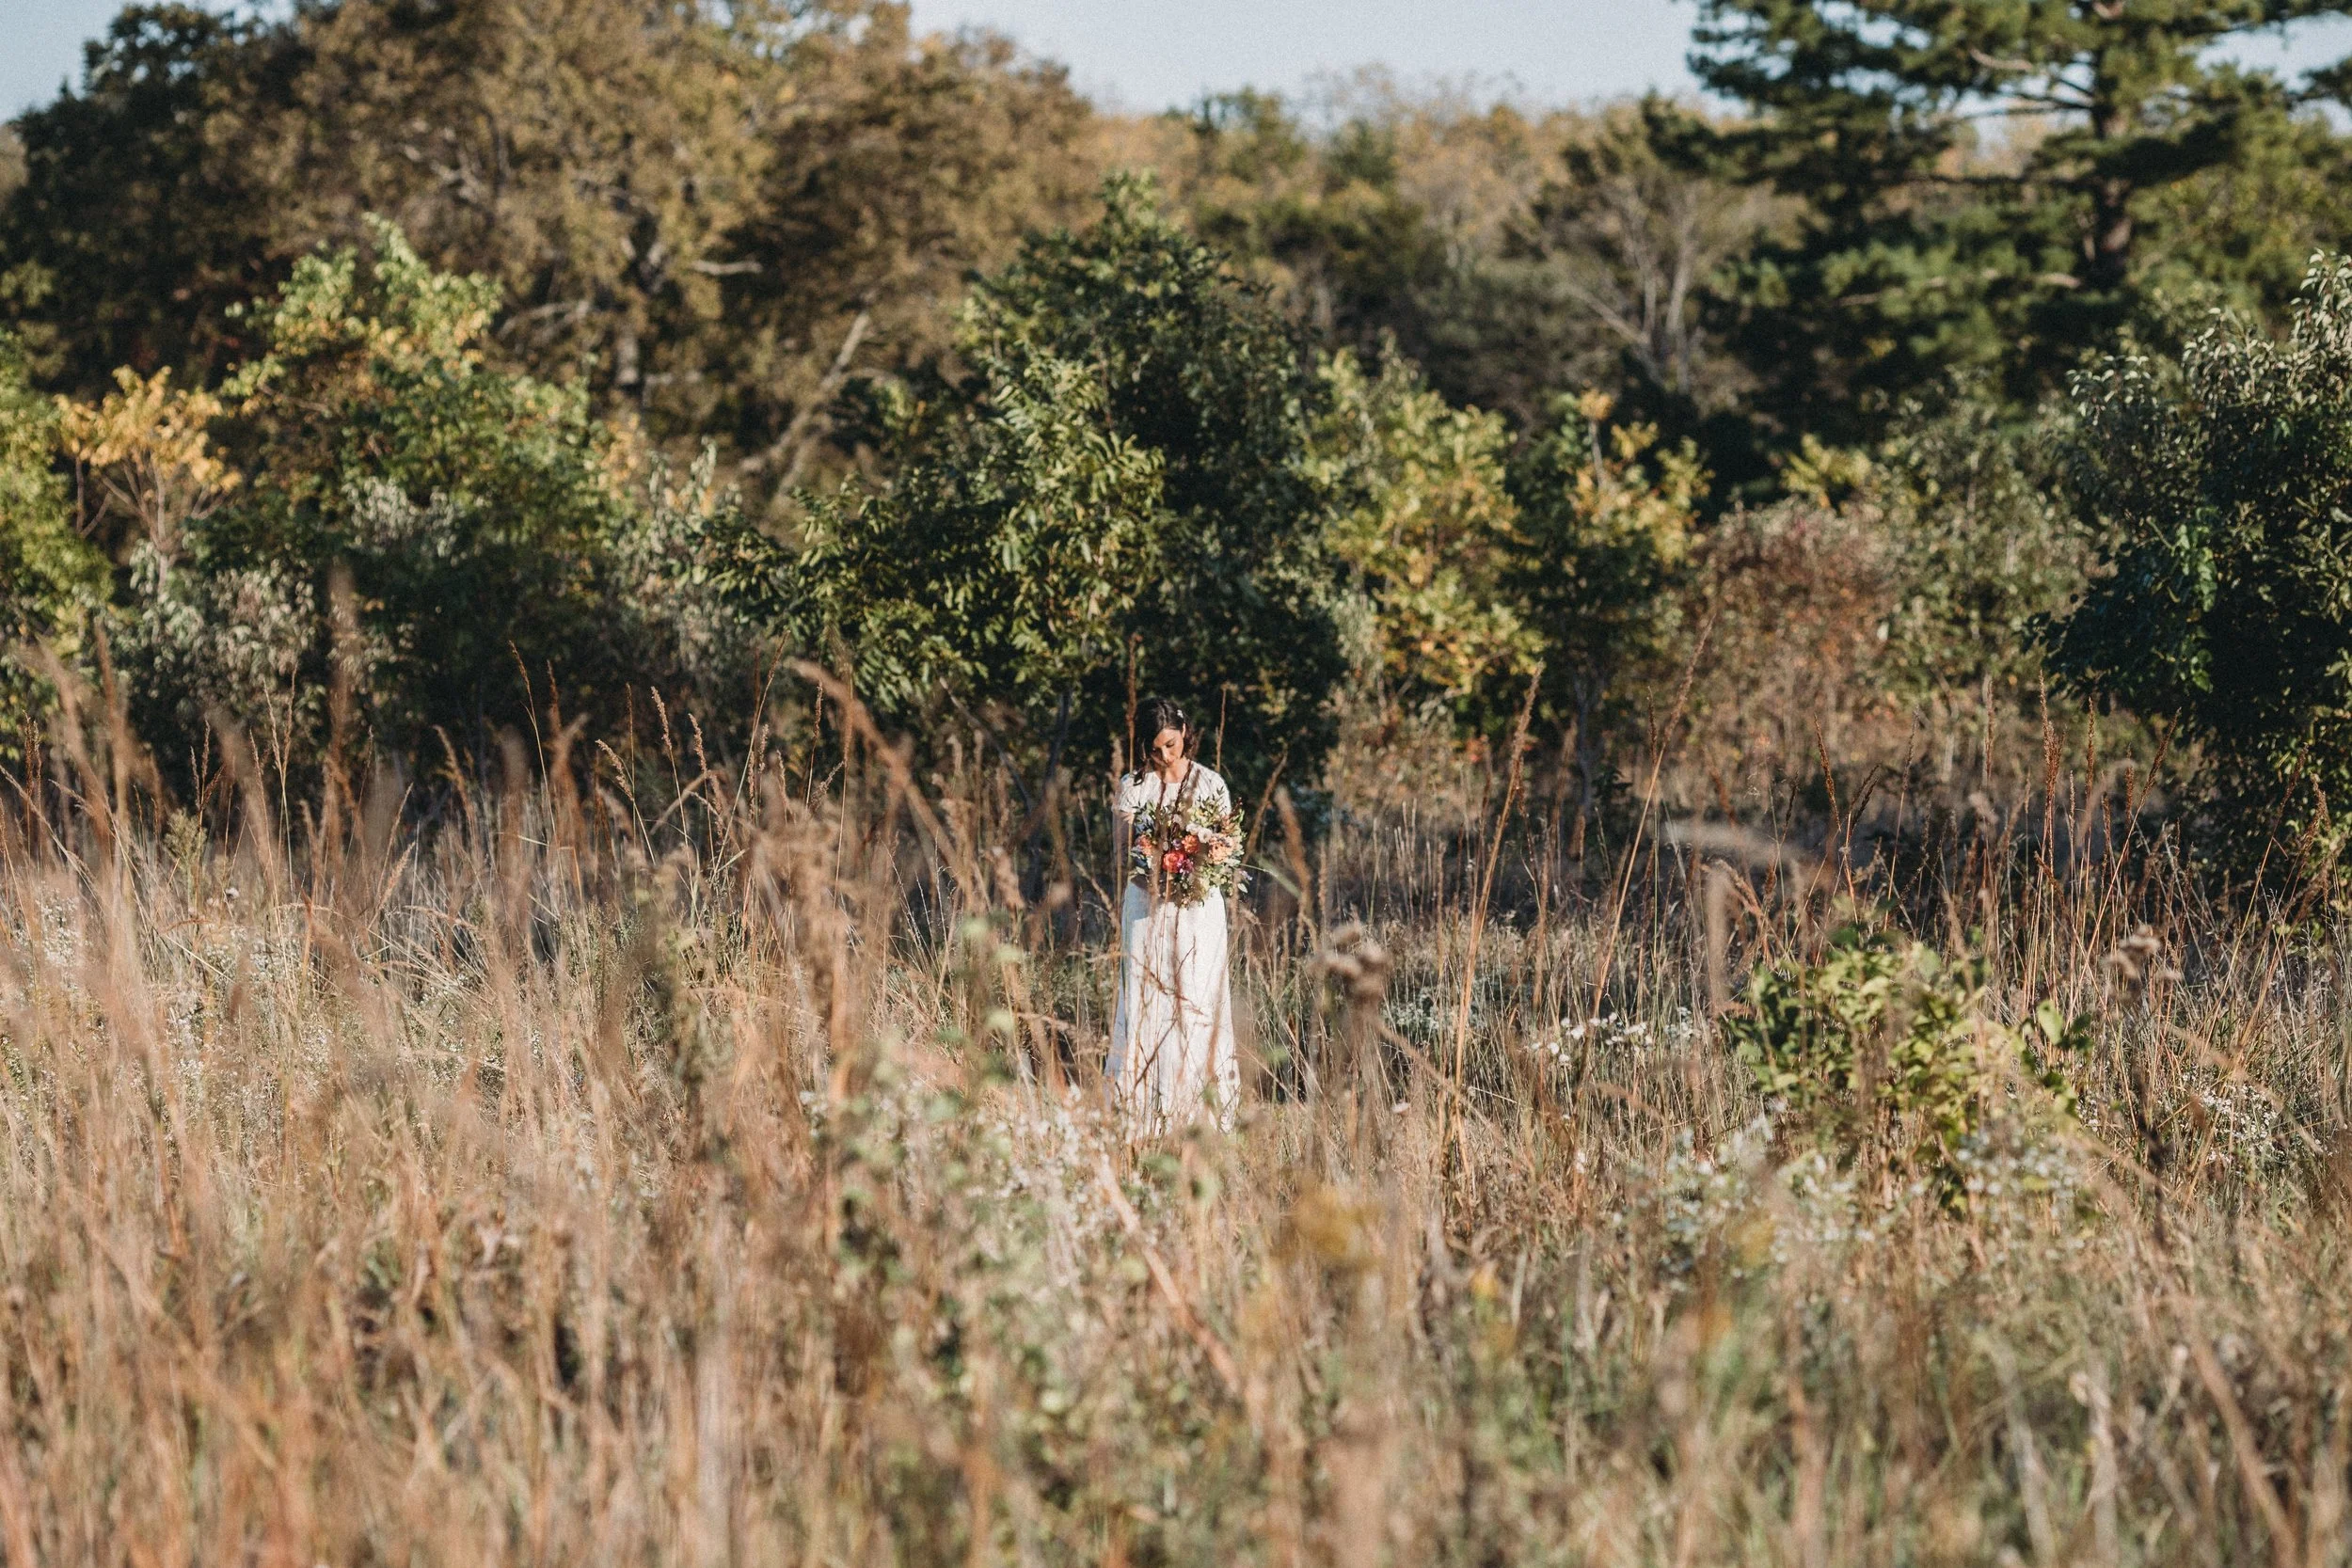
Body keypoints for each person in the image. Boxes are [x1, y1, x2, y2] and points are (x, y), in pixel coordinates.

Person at [1108, 697, 1239, 1132]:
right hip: (1146, 908)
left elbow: (1225, 850)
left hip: (1199, 910)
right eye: (1155, 748)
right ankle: (1142, 1115)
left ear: (1184, 732)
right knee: (1147, 1000)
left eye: (1171, 745)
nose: (1165, 756)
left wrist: (1197, 859)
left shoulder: (1210, 784)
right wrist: (1155, 859)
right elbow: (1122, 850)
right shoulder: (1134, 786)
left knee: (1196, 999)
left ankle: (1199, 1114)